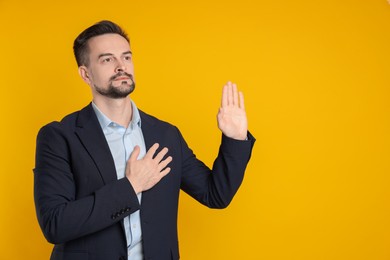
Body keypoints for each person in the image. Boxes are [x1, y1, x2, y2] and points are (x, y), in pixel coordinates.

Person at [34, 20, 255, 260]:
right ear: (85, 74)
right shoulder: (59, 136)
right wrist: (131, 186)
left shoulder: (165, 134)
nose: (121, 66)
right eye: (107, 59)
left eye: (126, 57)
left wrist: (235, 138)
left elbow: (216, 195)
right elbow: (55, 224)